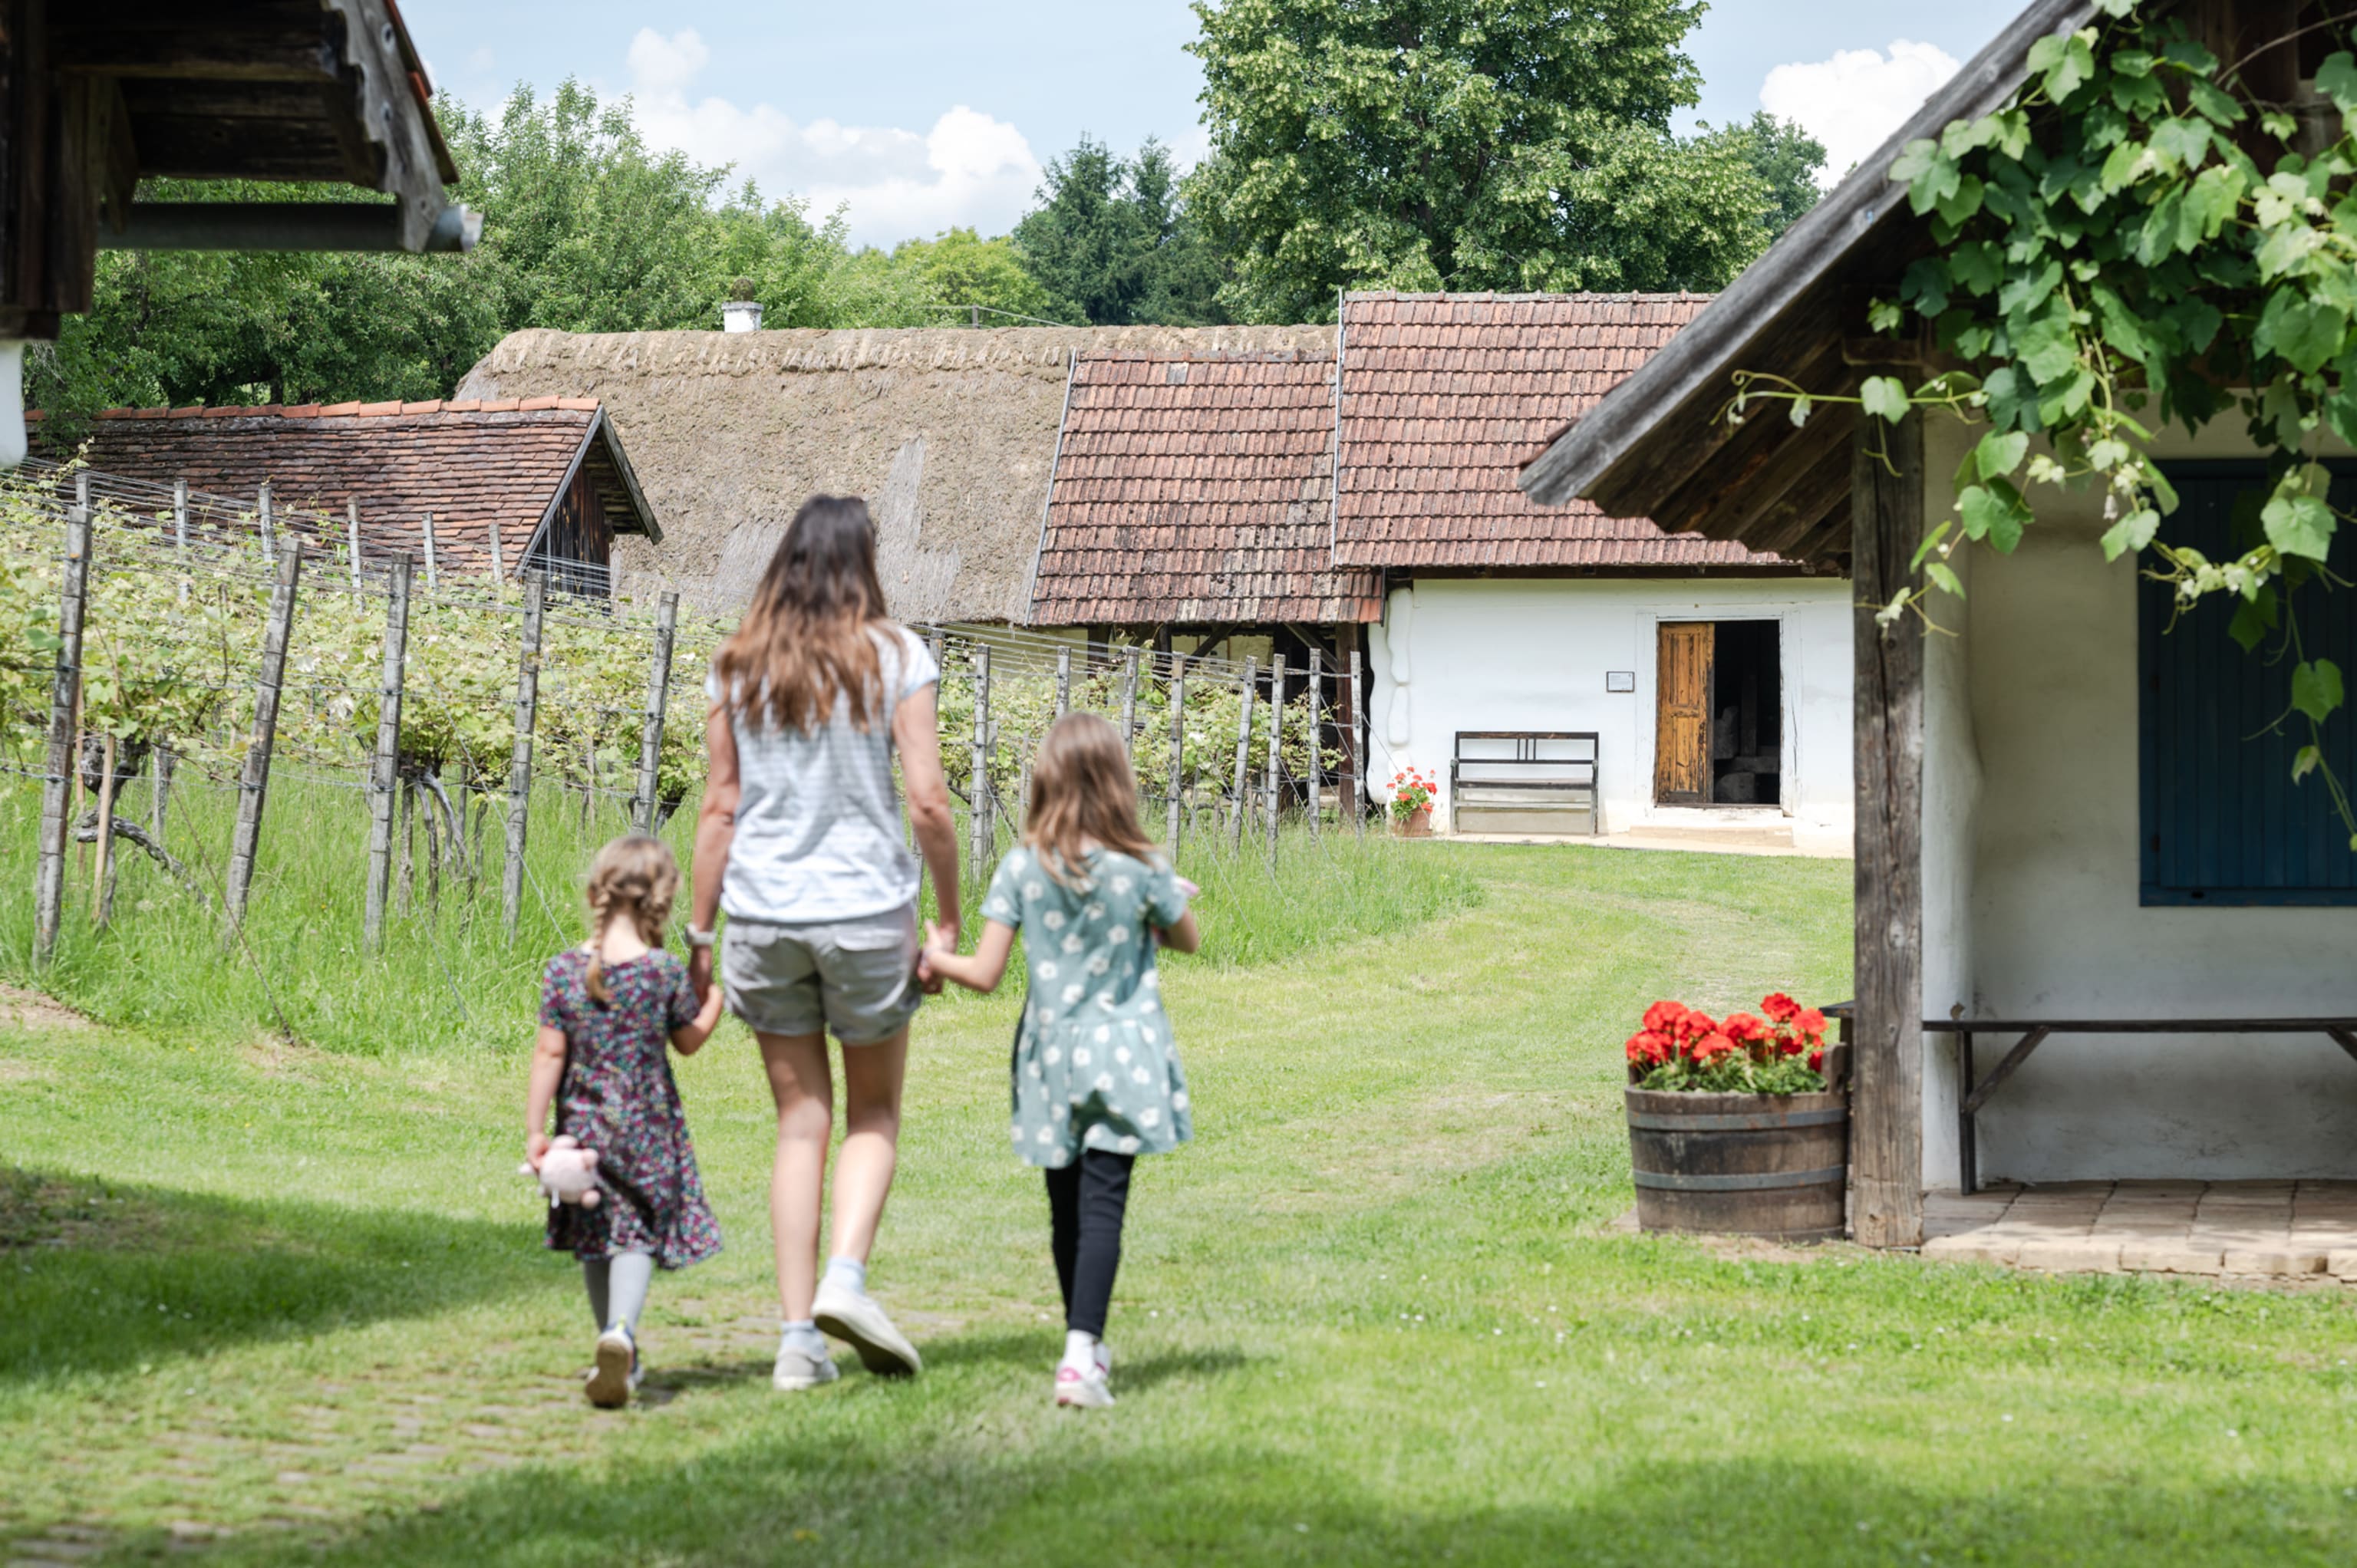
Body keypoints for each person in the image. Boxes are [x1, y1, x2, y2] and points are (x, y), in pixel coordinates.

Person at [684, 496, 961, 1392]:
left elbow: (719, 808)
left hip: (764, 916)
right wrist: (948, 918)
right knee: (873, 1114)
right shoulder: (896, 655)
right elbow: (927, 799)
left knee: (800, 1120)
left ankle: (797, 1339)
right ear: (863, 564)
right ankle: (848, 1277)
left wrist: (697, 936)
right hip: (867, 911)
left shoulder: (738, 666)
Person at [921, 711, 1199, 1409]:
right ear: (1117, 784)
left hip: (1050, 1056)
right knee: (1105, 1202)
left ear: (1046, 780)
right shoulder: (1142, 868)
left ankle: (1083, 1345)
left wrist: (931, 957)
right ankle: (1083, 1355)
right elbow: (1185, 939)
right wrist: (1168, 900)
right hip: (1125, 1054)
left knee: (1064, 1205)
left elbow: (984, 973)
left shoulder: (1022, 868)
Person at [526, 834, 727, 1409]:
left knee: (596, 1235)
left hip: (583, 1131)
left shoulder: (563, 970)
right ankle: (622, 1332)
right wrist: (715, 993)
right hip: (645, 1130)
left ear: (597, 892)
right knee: (635, 1232)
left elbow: (548, 1055)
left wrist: (536, 1129)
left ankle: (611, 1344)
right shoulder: (662, 973)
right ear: (660, 902)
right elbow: (689, 1041)